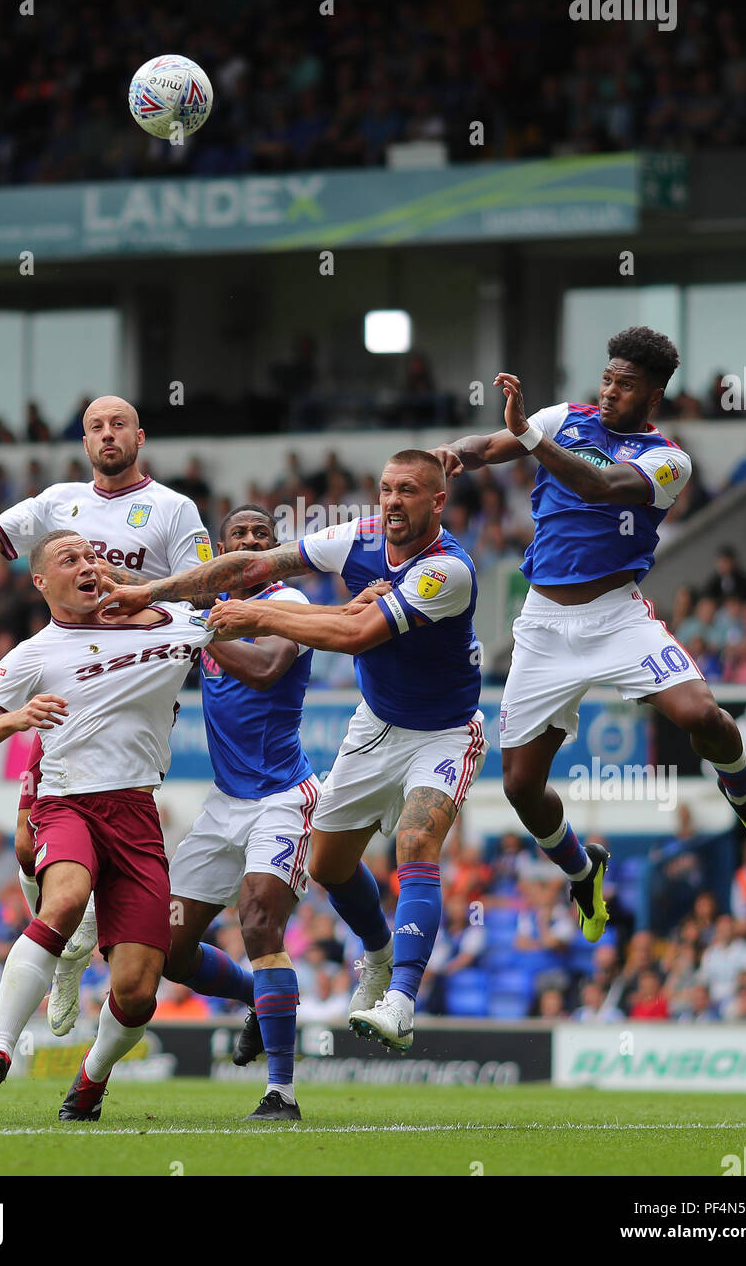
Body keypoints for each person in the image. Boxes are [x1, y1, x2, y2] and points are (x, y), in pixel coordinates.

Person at [99, 448, 488, 1053]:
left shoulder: (446, 570)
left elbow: (355, 635)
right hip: (375, 724)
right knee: (330, 867)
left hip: (443, 730)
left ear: (438, 500)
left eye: (408, 491)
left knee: (415, 841)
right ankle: (380, 954)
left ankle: (401, 1000)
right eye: (385, 488)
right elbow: (250, 568)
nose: (391, 501)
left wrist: (253, 613)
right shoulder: (353, 538)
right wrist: (150, 589)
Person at [0, 395, 212, 1035]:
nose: (107, 436)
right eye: (94, 427)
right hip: (62, 686)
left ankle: (79, 951)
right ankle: (63, 960)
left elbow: (201, 591)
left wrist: (135, 598)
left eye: (118, 425)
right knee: (29, 843)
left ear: (140, 434)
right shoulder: (58, 503)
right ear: (84, 441)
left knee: (80, 867)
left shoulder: (173, 509)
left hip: (131, 680)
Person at [428, 328, 746, 945]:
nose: (611, 390)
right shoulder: (563, 418)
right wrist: (445, 456)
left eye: (627, 384)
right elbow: (488, 445)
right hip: (542, 625)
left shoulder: (668, 458)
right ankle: (582, 870)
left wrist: (531, 437)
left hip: (617, 616)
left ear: (654, 395)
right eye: (608, 378)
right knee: (519, 788)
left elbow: (602, 486)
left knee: (706, 716)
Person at [0, 529, 215, 1118]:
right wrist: (16, 718)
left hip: (138, 813)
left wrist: (341, 613)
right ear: (42, 582)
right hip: (67, 802)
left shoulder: (169, 618)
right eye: (71, 559)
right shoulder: (33, 655)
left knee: (138, 992)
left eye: (94, 556)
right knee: (64, 899)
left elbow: (242, 611)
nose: (90, 565)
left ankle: (91, 1077)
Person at [162, 505, 322, 1121]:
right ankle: (259, 998)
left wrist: (201, 627)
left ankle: (280, 1092)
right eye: (240, 535)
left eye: (262, 533)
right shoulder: (207, 607)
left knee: (258, 925)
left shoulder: (291, 606)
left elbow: (265, 668)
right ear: (220, 550)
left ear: (273, 547)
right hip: (222, 803)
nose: (252, 540)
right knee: (169, 949)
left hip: (283, 796)